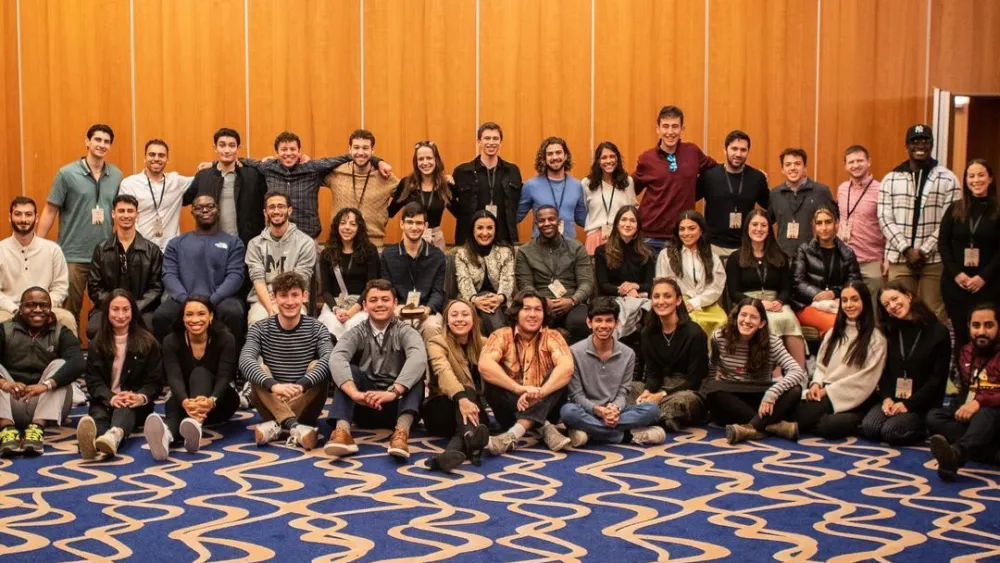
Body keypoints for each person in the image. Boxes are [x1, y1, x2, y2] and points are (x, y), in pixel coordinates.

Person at [325, 279, 427, 461]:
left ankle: (401, 434)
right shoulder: (357, 332)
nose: (379, 304)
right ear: (364, 305)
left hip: (398, 407)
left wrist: (393, 392)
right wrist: (354, 392)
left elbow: (418, 358)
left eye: (385, 299)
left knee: (416, 374)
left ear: (395, 303)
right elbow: (337, 357)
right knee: (349, 370)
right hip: (364, 404)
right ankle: (342, 432)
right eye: (373, 300)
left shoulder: (406, 331)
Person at [37, 124, 123, 331]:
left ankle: (102, 354)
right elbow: (50, 210)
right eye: (97, 140)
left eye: (106, 141)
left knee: (106, 309)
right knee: (69, 311)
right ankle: (70, 356)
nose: (102, 145)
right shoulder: (66, 174)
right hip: (74, 254)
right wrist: (37, 245)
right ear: (87, 141)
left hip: (105, 254)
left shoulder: (117, 175)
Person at [240, 272, 332, 450]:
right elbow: (245, 360)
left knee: (318, 366)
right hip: (270, 402)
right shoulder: (259, 328)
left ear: (304, 296)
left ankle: (277, 427)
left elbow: (329, 358)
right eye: (283, 295)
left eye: (295, 295)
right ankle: (295, 427)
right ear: (274, 298)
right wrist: (274, 386)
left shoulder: (317, 328)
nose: (289, 302)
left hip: (307, 405)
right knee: (259, 369)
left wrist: (302, 385)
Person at [238, 131, 389, 239]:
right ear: (276, 153)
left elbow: (352, 156)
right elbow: (242, 160)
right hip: (276, 237)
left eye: (293, 149)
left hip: (308, 237)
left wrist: (378, 161)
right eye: (283, 150)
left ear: (299, 152)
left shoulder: (313, 168)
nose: (288, 153)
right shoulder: (268, 167)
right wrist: (214, 164)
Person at [878, 124, 961, 322]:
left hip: (933, 260)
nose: (920, 145)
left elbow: (949, 220)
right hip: (900, 258)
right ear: (906, 146)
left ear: (932, 144)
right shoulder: (890, 179)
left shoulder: (948, 179)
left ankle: (934, 353)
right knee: (899, 312)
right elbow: (884, 217)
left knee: (933, 314)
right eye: (915, 142)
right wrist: (906, 249)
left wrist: (923, 251)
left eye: (925, 141)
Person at [143, 296, 241, 460]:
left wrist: (211, 401)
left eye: (201, 314)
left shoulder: (226, 339)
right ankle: (167, 436)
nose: (195, 320)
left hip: (220, 402)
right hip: (186, 401)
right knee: (175, 400)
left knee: (199, 373)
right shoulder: (171, 341)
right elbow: (174, 379)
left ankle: (194, 424)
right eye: (189, 314)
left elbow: (225, 377)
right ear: (183, 318)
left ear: (211, 316)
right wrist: (186, 402)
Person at [479, 288, 573, 454]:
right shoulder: (500, 335)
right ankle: (543, 427)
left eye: (538, 310)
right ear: (516, 312)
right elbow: (485, 365)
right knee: (491, 375)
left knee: (559, 374)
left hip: (547, 405)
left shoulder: (553, 336)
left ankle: (514, 434)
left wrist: (540, 392)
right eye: (527, 309)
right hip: (511, 408)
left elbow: (566, 367)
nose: (533, 314)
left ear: (544, 314)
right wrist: (520, 389)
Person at [560, 298, 664, 446]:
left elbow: (623, 392)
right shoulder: (574, 352)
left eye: (609, 321)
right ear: (589, 323)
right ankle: (628, 437)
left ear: (616, 323)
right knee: (568, 412)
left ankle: (591, 432)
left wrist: (613, 409)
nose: (604, 325)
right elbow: (576, 395)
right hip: (587, 410)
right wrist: (598, 411)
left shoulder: (628, 354)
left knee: (652, 409)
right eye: (598, 321)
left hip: (617, 412)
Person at [703, 298, 807, 444]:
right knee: (712, 388)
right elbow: (712, 367)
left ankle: (752, 427)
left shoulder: (772, 342)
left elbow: (797, 371)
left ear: (762, 323)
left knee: (795, 390)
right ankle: (773, 426)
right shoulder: (719, 337)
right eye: (743, 315)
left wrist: (772, 393)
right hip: (732, 394)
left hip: (760, 393)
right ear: (735, 317)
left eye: (753, 317)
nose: (747, 320)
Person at [76, 289, 164, 459]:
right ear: (107, 311)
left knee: (125, 409)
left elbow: (155, 382)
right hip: (105, 399)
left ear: (133, 311)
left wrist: (140, 397)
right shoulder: (97, 343)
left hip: (135, 403)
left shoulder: (149, 343)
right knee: (99, 417)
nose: (121, 315)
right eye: (115, 309)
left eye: (126, 309)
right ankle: (91, 443)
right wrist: (110, 397)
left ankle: (113, 437)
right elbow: (93, 381)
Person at [860, 281, 949, 445]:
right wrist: (886, 397)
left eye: (895, 299)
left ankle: (924, 428)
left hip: (921, 403)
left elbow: (937, 379)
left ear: (908, 296)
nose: (892, 306)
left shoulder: (937, 331)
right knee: (869, 428)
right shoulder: (889, 331)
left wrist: (909, 404)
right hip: (894, 399)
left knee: (890, 431)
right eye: (886, 304)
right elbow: (884, 371)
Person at [0, 287, 85, 457]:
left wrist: (45, 386)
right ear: (21, 308)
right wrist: (5, 383)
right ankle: (6, 428)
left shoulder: (61, 332)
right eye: (31, 305)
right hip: (10, 401)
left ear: (50, 308)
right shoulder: (5, 330)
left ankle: (36, 429)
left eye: (44, 305)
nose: (38, 310)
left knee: (60, 365)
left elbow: (78, 363)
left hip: (45, 405)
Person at [795, 281, 886, 439]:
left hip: (856, 398)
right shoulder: (832, 333)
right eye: (844, 300)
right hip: (825, 392)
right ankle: (792, 424)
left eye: (854, 299)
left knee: (828, 426)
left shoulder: (876, 340)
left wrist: (827, 392)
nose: (849, 305)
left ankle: (790, 425)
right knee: (794, 405)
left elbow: (865, 381)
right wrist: (816, 383)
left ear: (864, 301)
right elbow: (821, 366)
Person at [153, 194, 247, 343]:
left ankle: (234, 364)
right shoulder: (176, 244)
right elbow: (169, 275)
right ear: (192, 212)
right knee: (161, 316)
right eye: (199, 207)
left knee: (233, 312)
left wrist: (213, 300)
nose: (205, 210)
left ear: (218, 209)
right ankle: (165, 364)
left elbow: (236, 275)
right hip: (184, 298)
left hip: (221, 299)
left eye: (210, 206)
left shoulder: (233, 243)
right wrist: (186, 301)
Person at [927, 303, 1000, 480]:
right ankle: (985, 448)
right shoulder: (966, 351)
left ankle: (958, 454)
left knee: (986, 414)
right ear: (969, 326)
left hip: (994, 413)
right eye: (976, 325)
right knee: (934, 417)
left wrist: (980, 402)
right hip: (975, 416)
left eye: (988, 325)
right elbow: (966, 389)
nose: (981, 331)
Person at [726, 209, 806, 366]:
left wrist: (780, 301)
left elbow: (786, 288)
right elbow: (733, 292)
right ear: (747, 228)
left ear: (769, 229)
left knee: (790, 319)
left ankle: (801, 372)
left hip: (775, 303)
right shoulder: (736, 257)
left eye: (763, 225)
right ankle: (773, 375)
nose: (759, 229)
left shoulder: (779, 256)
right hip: (747, 303)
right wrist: (758, 303)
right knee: (770, 322)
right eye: (754, 224)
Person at [633, 105, 716, 252]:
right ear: (657, 129)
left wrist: (751, 172)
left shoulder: (693, 152)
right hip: (650, 236)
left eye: (675, 127)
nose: (670, 132)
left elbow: (717, 170)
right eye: (665, 126)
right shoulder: (647, 158)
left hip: (683, 236)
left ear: (682, 129)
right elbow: (628, 186)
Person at [421, 299, 491, 473]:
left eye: (465, 314)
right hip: (440, 409)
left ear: (474, 320)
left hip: (471, 411)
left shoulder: (485, 343)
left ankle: (451, 453)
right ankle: (471, 440)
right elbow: (443, 371)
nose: (459, 319)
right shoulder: (436, 342)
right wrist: (461, 398)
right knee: (467, 390)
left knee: (474, 412)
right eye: (454, 315)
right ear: (446, 321)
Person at [632, 278, 708, 431]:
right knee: (631, 388)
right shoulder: (647, 332)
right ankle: (663, 417)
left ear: (678, 300)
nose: (661, 301)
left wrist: (660, 395)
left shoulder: (694, 333)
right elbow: (653, 374)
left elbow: (695, 381)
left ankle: (644, 415)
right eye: (656, 296)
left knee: (684, 400)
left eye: (667, 296)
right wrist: (648, 392)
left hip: (686, 389)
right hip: (659, 385)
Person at [939, 159, 999, 352]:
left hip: (989, 285)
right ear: (965, 180)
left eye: (981, 175)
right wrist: (957, 274)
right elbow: (943, 244)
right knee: (961, 336)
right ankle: (961, 380)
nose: (976, 180)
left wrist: (983, 277)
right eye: (971, 176)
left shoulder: (998, 209)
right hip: (957, 285)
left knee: (986, 336)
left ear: (990, 178)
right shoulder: (955, 208)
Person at [87, 194, 163, 340]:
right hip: (107, 308)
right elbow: (94, 288)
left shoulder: (152, 250)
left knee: (150, 330)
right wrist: (116, 308)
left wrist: (133, 308)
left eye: (130, 211)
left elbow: (156, 288)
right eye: (121, 211)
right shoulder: (101, 249)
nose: (126, 215)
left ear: (137, 214)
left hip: (143, 309)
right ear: (113, 214)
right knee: (94, 329)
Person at [515, 205, 593, 344]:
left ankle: (575, 363)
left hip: (572, 302)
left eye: (551, 219)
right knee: (528, 322)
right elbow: (525, 285)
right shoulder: (525, 251)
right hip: (539, 303)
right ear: (536, 224)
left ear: (559, 221)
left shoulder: (577, 248)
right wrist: (543, 302)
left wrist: (573, 300)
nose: (547, 223)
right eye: (542, 220)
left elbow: (586, 282)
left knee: (580, 323)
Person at [0, 197, 76, 333]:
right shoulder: (1, 249)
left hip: (46, 309)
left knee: (67, 319)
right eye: (18, 214)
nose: (23, 219)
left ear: (36, 218)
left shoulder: (53, 250)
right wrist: (16, 310)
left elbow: (60, 287)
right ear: (10, 218)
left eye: (28, 214)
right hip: (9, 310)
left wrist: (41, 308)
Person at [184, 128, 267, 245]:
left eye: (232, 146)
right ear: (215, 148)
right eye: (222, 145)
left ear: (238, 149)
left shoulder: (252, 176)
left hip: (246, 244)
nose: (227, 150)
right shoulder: (203, 176)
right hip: (211, 243)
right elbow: (182, 199)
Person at [244, 190, 316, 326]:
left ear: (289, 211)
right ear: (265, 213)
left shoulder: (305, 242)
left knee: (297, 322)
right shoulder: (255, 244)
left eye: (281, 206)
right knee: (257, 321)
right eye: (271, 207)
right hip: (263, 300)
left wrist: (283, 303)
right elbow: (258, 280)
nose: (276, 211)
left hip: (292, 298)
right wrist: (272, 309)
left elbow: (300, 280)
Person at [696, 130, 770, 258]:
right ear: (725, 149)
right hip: (713, 247)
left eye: (743, 150)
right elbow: (686, 198)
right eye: (734, 149)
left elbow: (772, 207)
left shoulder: (757, 178)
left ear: (748, 152)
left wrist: (760, 231)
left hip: (745, 247)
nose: (738, 154)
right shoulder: (709, 175)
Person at [655, 210, 728, 337]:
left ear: (701, 231)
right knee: (692, 323)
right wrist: (678, 302)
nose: (686, 233)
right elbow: (662, 285)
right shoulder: (666, 255)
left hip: (706, 302)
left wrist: (696, 302)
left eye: (691, 228)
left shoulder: (711, 256)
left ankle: (711, 356)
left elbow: (717, 287)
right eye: (682, 229)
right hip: (677, 304)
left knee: (723, 321)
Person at [792, 207, 862, 335]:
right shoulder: (804, 250)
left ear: (836, 224)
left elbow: (855, 283)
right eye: (819, 223)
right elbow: (798, 283)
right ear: (814, 226)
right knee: (837, 324)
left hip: (838, 304)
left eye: (828, 222)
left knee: (857, 323)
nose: (824, 228)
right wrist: (819, 295)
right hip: (806, 305)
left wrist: (834, 293)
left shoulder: (848, 253)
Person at [379, 202, 446, 338]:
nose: (414, 227)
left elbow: (438, 292)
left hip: (426, 311)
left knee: (433, 326)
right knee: (389, 323)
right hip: (398, 310)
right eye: (410, 222)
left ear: (425, 226)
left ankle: (431, 360)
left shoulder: (437, 256)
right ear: (401, 224)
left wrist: (428, 309)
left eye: (419, 223)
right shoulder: (388, 254)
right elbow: (386, 288)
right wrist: (394, 307)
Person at [451, 122, 523, 245]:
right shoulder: (462, 172)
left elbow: (517, 203)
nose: (491, 142)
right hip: (470, 240)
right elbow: (453, 205)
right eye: (487, 138)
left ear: (501, 142)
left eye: (495, 138)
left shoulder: (512, 171)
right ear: (479, 141)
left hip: (504, 239)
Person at [325, 130, 400, 247]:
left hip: (374, 247)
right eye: (356, 147)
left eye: (365, 148)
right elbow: (312, 174)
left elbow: (408, 194)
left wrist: (391, 212)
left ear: (372, 151)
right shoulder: (336, 172)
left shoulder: (385, 177)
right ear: (350, 149)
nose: (360, 152)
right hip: (340, 247)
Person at [117, 139, 194, 250]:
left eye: (161, 155)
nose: (156, 158)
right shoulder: (130, 184)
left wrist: (213, 164)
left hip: (170, 252)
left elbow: (204, 177)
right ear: (145, 158)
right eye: (152, 155)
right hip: (141, 251)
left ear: (167, 160)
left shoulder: (177, 182)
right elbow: (124, 217)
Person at [317, 207, 381, 339]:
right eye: (343, 223)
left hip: (361, 304)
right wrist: (336, 309)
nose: (347, 227)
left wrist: (353, 311)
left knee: (355, 324)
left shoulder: (370, 251)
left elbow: (371, 286)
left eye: (353, 224)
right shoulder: (327, 254)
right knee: (330, 324)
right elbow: (325, 290)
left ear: (359, 228)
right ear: (337, 226)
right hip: (335, 305)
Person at [594, 205, 656, 338]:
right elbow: (603, 285)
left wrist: (636, 287)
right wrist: (627, 291)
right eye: (624, 220)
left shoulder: (648, 252)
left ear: (638, 226)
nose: (628, 224)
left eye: (632, 221)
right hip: (612, 298)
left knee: (652, 315)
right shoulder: (602, 251)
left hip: (640, 298)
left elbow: (650, 284)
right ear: (617, 224)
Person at [454, 210, 516, 334]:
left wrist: (499, 298)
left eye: (489, 228)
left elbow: (508, 279)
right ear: (473, 230)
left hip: (502, 303)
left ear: (495, 230)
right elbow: (463, 280)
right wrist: (475, 300)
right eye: (480, 228)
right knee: (487, 302)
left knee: (488, 314)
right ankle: (504, 343)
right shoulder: (462, 254)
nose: (485, 233)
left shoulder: (505, 252)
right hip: (470, 303)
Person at [837, 145, 885, 300]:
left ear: (869, 162)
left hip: (871, 260)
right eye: (851, 162)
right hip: (845, 260)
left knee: (874, 309)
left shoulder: (881, 189)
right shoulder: (842, 189)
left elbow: (888, 223)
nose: (855, 165)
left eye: (860, 161)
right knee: (848, 307)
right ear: (845, 165)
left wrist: (888, 258)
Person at [768, 148, 836, 258]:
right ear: (782, 169)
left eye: (797, 164)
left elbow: (833, 224)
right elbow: (768, 222)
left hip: (814, 258)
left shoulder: (822, 192)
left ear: (805, 168)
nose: (793, 168)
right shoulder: (775, 194)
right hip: (784, 258)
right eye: (788, 164)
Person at [516, 137, 586, 240]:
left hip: (569, 248)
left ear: (566, 156)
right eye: (550, 154)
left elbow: (582, 219)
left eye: (558, 152)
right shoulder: (531, 186)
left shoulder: (577, 185)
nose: (554, 157)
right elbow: (516, 217)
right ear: (544, 158)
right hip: (540, 248)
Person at [388, 140, 452, 250]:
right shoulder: (406, 184)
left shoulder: (445, 186)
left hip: (435, 240)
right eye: (421, 159)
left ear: (436, 160)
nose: (425, 162)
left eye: (429, 158)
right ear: (416, 162)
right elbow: (390, 212)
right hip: (410, 239)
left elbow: (460, 212)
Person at [582, 142, 637, 255]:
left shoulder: (628, 182)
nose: (608, 161)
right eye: (604, 157)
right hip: (595, 238)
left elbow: (633, 209)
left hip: (622, 238)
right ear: (598, 161)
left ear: (617, 159)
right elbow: (585, 210)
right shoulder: (587, 183)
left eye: (612, 156)